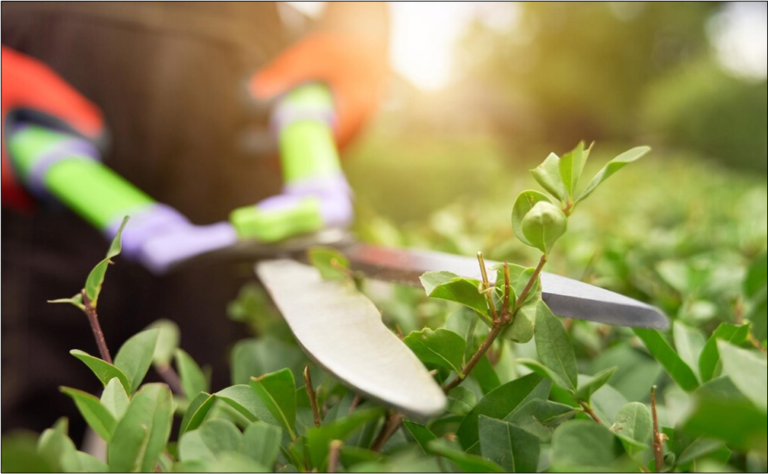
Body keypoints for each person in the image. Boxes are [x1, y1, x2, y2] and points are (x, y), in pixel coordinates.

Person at [1, 2, 390, 439]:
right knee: (22, 429)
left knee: (219, 422)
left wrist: (357, 30)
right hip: (45, 61)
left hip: (233, 80)